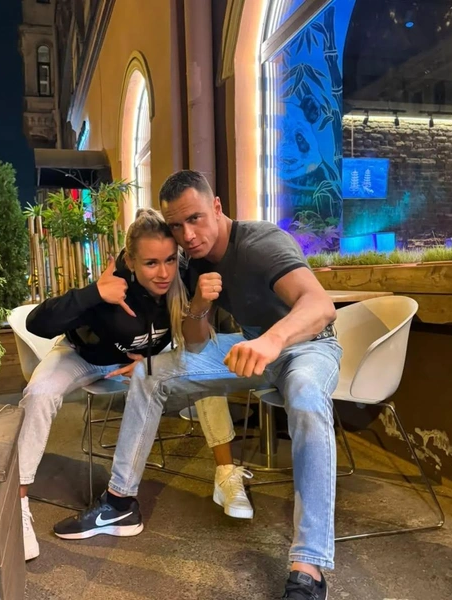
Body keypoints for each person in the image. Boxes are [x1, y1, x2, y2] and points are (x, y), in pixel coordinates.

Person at [55, 171, 341, 600]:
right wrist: (200, 304)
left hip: (308, 346)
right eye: (177, 225)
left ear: (217, 207)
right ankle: (119, 504)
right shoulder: (192, 260)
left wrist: (272, 340)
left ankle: (309, 567)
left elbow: (320, 305)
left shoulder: (260, 243)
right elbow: (194, 344)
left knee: (305, 394)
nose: (187, 235)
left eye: (195, 219)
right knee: (150, 374)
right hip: (252, 346)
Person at [18, 208, 252, 562]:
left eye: (169, 260)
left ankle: (226, 474)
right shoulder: (112, 288)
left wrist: (149, 359)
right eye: (151, 263)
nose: (163, 273)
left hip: (136, 365)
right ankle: (18, 503)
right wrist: (94, 293)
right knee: (40, 392)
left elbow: (185, 334)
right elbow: (37, 323)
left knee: (200, 368)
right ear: (130, 260)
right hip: (84, 356)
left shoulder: (182, 279)